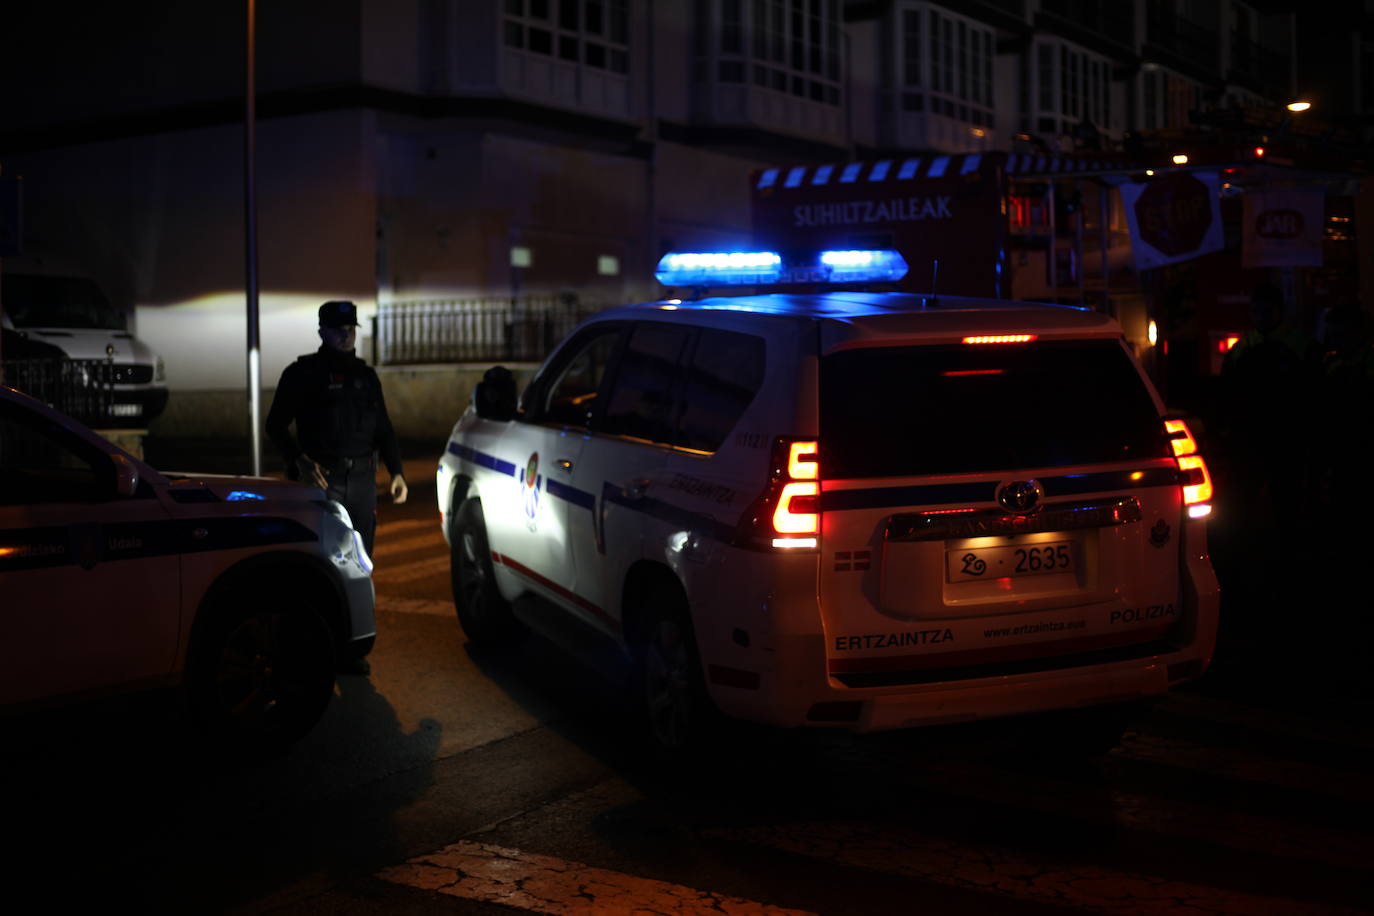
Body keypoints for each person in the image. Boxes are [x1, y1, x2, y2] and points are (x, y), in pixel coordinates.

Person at [267, 299, 407, 569]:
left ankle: (359, 610)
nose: (346, 335)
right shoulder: (302, 374)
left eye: (350, 329)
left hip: (363, 483)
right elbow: (274, 425)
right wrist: (298, 459)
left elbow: (383, 428)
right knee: (321, 561)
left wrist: (396, 471)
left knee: (362, 561)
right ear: (322, 332)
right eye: (337, 329)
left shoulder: (366, 376)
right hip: (323, 482)